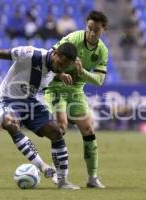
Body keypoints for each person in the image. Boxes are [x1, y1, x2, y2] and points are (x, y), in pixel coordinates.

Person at [0, 42, 80, 189]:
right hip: (7, 99)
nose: (61, 67)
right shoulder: (30, 53)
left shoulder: (57, 67)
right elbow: (0, 53)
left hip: (30, 101)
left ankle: (62, 181)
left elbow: (54, 68)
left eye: (65, 66)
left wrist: (61, 73)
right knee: (11, 124)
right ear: (55, 53)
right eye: (60, 63)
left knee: (56, 132)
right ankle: (42, 166)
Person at [44, 10, 108, 188]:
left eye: (96, 30)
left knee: (88, 129)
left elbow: (99, 80)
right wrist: (61, 72)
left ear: (104, 30)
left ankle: (92, 178)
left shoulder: (102, 51)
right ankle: (59, 175)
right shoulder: (72, 38)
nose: (91, 33)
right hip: (56, 86)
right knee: (61, 126)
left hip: (76, 91)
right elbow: (49, 58)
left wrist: (82, 72)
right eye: (89, 28)